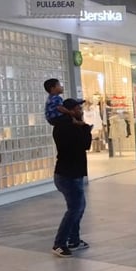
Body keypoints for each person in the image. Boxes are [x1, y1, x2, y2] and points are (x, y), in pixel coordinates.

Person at [51, 99, 93, 258]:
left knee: (78, 207)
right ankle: (59, 243)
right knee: (75, 209)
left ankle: (74, 240)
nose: (80, 110)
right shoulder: (67, 127)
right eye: (77, 108)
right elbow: (85, 144)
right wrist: (85, 128)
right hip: (67, 175)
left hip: (72, 173)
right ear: (69, 110)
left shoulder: (69, 125)